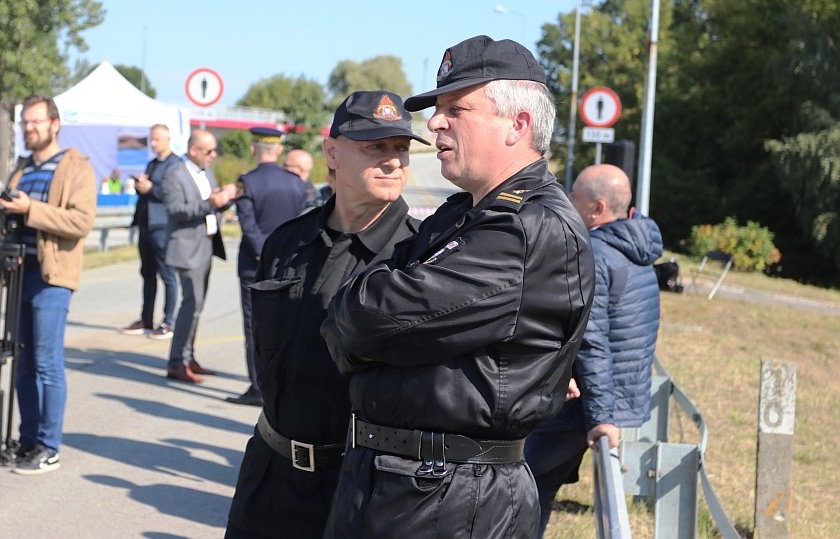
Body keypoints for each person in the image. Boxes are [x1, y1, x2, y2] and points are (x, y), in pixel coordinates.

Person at [320, 35, 596, 538]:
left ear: (518, 124)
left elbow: (366, 319)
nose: (435, 123)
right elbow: (349, 309)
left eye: (456, 109)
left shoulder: (527, 230)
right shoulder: (462, 213)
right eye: (438, 108)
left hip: (450, 496)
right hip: (399, 483)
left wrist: (365, 326)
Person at [226, 90, 427, 538]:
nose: (394, 160)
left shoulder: (419, 259)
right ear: (333, 151)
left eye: (401, 148)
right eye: (376, 146)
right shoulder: (285, 243)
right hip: (270, 474)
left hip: (361, 487)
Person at [525, 164, 663, 535]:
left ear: (597, 208)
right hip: (609, 399)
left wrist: (601, 416)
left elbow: (595, 342)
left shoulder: (597, 254)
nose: (567, 200)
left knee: (521, 482)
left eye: (574, 196)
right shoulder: (636, 247)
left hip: (586, 403)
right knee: (536, 486)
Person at [0, 95, 96, 474]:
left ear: (54, 123)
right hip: (18, 274)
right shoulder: (19, 169)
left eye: (35, 122)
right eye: (24, 124)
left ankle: (49, 446)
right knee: (23, 363)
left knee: (47, 363)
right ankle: (28, 439)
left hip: (52, 276)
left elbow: (81, 222)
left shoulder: (75, 167)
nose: (29, 129)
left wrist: (30, 209)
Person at [226, 127, 308, 407]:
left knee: (254, 327)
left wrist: (264, 253)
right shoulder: (297, 183)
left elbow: (248, 226)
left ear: (253, 150)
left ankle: (258, 388)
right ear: (279, 151)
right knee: (286, 325)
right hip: (289, 265)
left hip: (254, 266)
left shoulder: (247, 183)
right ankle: (283, 383)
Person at [164, 129, 238, 384]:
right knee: (190, 305)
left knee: (197, 306)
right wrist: (211, 203)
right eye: (208, 151)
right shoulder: (174, 173)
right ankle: (177, 362)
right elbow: (175, 210)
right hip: (186, 247)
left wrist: (226, 199)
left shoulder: (205, 171)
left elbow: (213, 202)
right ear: (193, 150)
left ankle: (188, 356)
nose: (213, 155)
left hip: (205, 245)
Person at [120, 124, 182, 339]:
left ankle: (168, 322)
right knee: (147, 274)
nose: (153, 143)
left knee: (168, 275)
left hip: (163, 226)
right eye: (151, 139)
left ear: (167, 139)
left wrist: (151, 189)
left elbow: (173, 193)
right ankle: (146, 319)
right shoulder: (152, 163)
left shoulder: (176, 164)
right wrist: (141, 185)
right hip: (146, 225)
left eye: (157, 139)